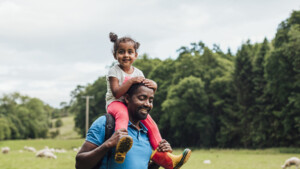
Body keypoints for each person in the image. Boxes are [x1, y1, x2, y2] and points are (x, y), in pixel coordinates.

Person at [105, 32, 191, 168]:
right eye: (121, 52)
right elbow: (116, 93)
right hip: (116, 103)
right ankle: (121, 143)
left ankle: (164, 156)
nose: (126, 55)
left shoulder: (138, 72)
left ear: (135, 55)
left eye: (130, 52)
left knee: (151, 124)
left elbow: (145, 90)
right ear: (115, 55)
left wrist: (155, 85)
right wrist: (131, 81)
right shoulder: (114, 71)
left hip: (131, 104)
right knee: (122, 115)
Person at [75, 83, 191, 169]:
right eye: (142, 98)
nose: (147, 104)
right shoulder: (106, 123)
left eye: (151, 100)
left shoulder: (147, 134)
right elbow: (79, 164)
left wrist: (157, 162)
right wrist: (108, 144)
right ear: (127, 98)